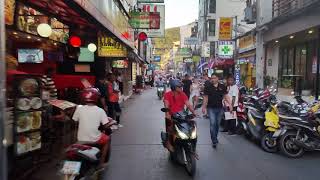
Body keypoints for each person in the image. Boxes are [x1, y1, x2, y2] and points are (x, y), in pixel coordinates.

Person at [72, 88, 115, 167]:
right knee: (107, 139)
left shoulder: (79, 109)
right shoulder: (100, 110)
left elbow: (75, 121)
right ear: (96, 98)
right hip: (95, 140)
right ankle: (101, 163)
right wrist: (112, 123)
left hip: (80, 139)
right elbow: (105, 126)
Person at [163, 80, 196, 152]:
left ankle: (192, 144)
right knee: (170, 128)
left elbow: (188, 104)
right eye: (179, 87)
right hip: (172, 115)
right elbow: (166, 105)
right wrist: (167, 114)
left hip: (181, 115)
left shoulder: (182, 94)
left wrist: (193, 112)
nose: (181, 88)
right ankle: (168, 143)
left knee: (192, 125)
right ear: (174, 87)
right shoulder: (167, 94)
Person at [202, 74, 232, 148]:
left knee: (217, 124)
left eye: (214, 78)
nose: (213, 79)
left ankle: (215, 137)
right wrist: (204, 107)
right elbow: (205, 98)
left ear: (218, 78)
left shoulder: (222, 86)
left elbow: (226, 96)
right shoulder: (207, 87)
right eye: (211, 78)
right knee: (212, 123)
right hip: (211, 108)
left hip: (220, 108)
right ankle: (214, 140)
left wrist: (230, 105)